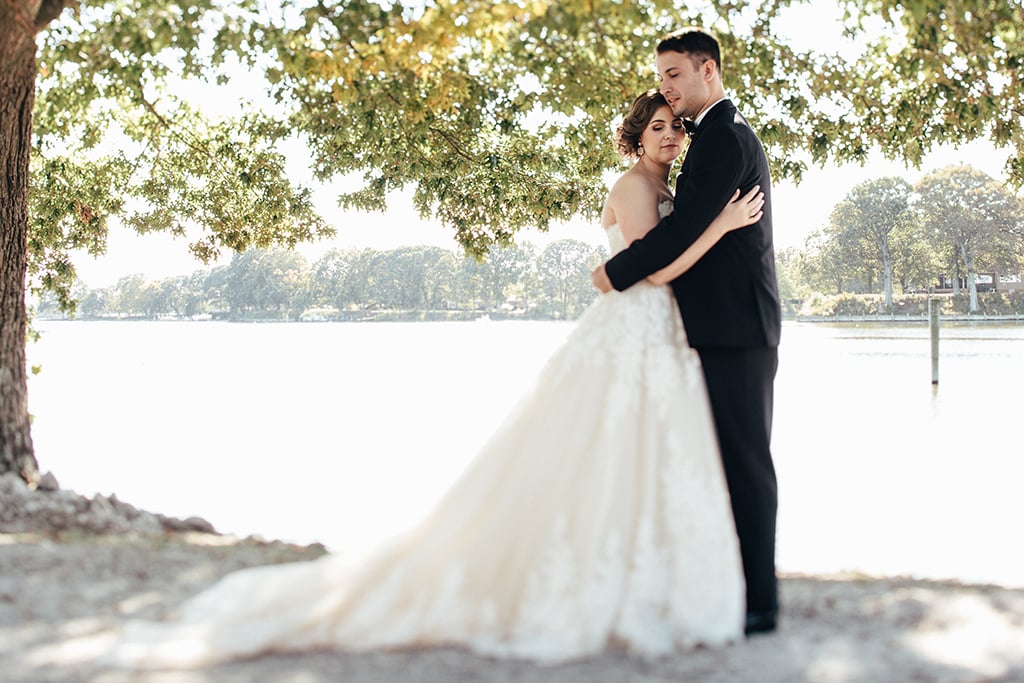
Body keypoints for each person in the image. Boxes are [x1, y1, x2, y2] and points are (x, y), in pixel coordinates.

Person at [97, 91, 764, 669]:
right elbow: (652, 267)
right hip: (632, 326)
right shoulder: (631, 187)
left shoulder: (664, 187)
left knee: (642, 453)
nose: (671, 135)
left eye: (676, 127)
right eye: (658, 128)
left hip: (658, 335)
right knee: (598, 445)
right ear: (636, 135)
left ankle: (641, 572)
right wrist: (725, 224)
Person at [591, 28, 783, 635]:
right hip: (716, 327)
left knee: (747, 462)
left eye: (674, 74)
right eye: (663, 78)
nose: (667, 90)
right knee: (721, 460)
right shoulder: (714, 137)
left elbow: (680, 233)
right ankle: (736, 586)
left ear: (707, 69)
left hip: (736, 327)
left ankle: (760, 602)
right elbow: (688, 233)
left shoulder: (723, 136)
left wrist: (611, 273)